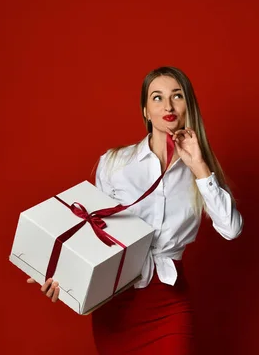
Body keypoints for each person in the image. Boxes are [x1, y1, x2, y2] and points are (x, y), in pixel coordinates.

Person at [28, 66, 243, 354]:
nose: (167, 106)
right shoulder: (115, 163)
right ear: (145, 110)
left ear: (187, 104)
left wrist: (200, 167)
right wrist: (60, 272)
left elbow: (231, 229)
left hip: (169, 303)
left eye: (176, 96)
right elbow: (93, 233)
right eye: (157, 98)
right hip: (114, 304)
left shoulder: (200, 170)